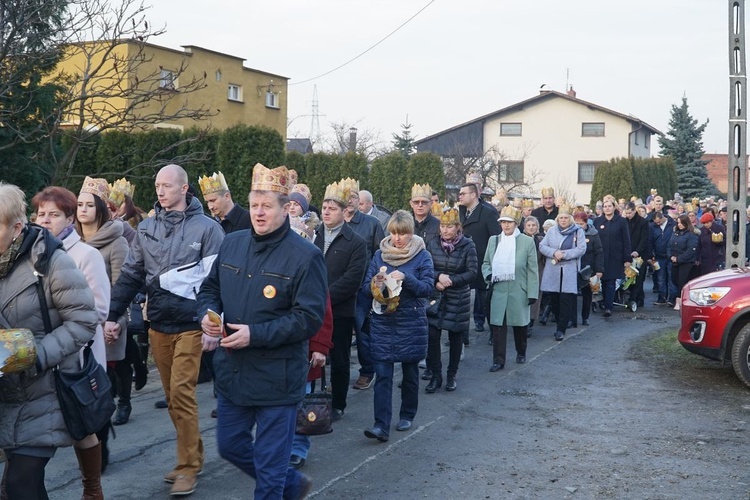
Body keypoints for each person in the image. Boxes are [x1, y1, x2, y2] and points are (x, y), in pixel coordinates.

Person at [197, 163, 326, 499]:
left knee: (269, 474)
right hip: (233, 373)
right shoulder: (232, 243)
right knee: (230, 446)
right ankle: (292, 484)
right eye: (254, 205)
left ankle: (281, 483)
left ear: (285, 209)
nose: (259, 212)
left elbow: (307, 319)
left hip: (277, 379)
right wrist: (207, 317)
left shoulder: (306, 257)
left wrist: (255, 334)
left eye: (267, 206)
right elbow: (210, 289)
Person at [105, 164, 225, 496]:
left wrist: (213, 325)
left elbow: (216, 282)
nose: (160, 191)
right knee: (172, 398)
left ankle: (187, 466)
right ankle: (194, 455)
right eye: (157, 185)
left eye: (168, 185)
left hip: (192, 324)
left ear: (184, 189)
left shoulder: (208, 229)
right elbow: (131, 273)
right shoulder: (146, 227)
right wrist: (114, 314)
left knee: (183, 394)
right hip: (158, 323)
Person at [0, 183, 98, 500]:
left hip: (45, 392)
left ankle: (92, 486)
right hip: (5, 396)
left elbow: (84, 320)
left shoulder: (50, 262)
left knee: (19, 485)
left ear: (16, 227)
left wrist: (36, 355)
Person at [33, 185, 113, 497]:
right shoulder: (31, 253)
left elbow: (100, 308)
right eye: (41, 214)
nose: (45, 220)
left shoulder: (86, 255)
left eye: (54, 214)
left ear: (69, 219)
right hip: (41, 357)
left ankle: (92, 487)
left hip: (79, 358)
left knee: (80, 426)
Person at [361, 210, 434, 442]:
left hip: (410, 322)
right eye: (393, 233)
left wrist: (407, 278)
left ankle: (407, 414)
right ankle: (380, 425)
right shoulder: (379, 255)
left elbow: (427, 289)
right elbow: (365, 287)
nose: (397, 238)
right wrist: (376, 282)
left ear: (411, 233)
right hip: (383, 322)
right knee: (382, 375)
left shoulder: (422, 256)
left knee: (410, 373)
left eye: (402, 233)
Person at [76, 178, 133, 427]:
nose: (83, 210)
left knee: (115, 365)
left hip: (109, 314)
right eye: (79, 204)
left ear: (100, 208)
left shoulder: (117, 242)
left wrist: (116, 319)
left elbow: (122, 285)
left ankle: (124, 402)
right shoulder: (71, 242)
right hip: (79, 317)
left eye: (89, 204)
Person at [198, 171, 252, 418]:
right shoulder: (211, 224)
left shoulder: (248, 221)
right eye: (207, 202)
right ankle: (224, 398)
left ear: (227, 196)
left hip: (244, 291)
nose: (210, 207)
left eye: (213, 201)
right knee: (219, 351)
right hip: (219, 287)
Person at [314, 180, 368, 422]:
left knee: (339, 358)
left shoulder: (355, 242)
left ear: (344, 212)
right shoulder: (311, 235)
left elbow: (352, 279)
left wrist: (323, 297)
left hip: (339, 311)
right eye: (324, 207)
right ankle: (310, 397)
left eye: (332, 208)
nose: (326, 212)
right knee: (311, 354)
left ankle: (338, 403)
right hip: (310, 309)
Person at [424, 203, 477, 392]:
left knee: (455, 337)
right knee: (432, 336)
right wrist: (437, 278)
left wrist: (451, 281)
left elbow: (472, 272)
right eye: (442, 226)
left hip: (458, 297)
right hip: (436, 295)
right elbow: (426, 268)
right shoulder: (432, 243)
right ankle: (436, 375)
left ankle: (451, 374)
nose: (445, 230)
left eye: (449, 227)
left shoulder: (467, 245)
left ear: (457, 228)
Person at [483, 206, 539, 370]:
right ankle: (498, 360)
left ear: (516, 224)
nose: (506, 226)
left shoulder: (527, 242)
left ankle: (521, 351)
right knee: (498, 326)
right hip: (499, 289)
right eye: (503, 222)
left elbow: (532, 269)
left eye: (509, 222)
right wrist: (488, 275)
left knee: (520, 325)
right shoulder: (494, 241)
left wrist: (532, 292)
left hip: (518, 289)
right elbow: (486, 263)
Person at [458, 182, 501, 337]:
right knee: (461, 299)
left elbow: (496, 239)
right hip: (464, 261)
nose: (460, 196)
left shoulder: (488, 212)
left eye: (463, 193)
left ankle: (494, 333)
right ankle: (460, 335)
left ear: (474, 195)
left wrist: (492, 262)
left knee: (486, 299)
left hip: (483, 260)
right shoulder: (461, 211)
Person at [539, 205, 587, 340]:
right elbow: (542, 246)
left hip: (569, 269)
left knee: (566, 299)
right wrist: (554, 252)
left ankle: (561, 329)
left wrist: (564, 254)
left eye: (566, 218)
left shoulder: (578, 231)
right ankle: (558, 321)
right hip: (553, 269)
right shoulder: (552, 231)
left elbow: (581, 249)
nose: (563, 220)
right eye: (561, 218)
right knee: (554, 300)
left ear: (570, 219)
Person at [593, 198, 632, 317]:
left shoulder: (621, 221)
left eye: (609, 206)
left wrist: (627, 259)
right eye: (605, 206)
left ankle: (608, 306)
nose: (607, 208)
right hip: (600, 256)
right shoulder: (598, 221)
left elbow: (626, 240)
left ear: (614, 207)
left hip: (615, 256)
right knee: (601, 281)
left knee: (610, 281)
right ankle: (602, 302)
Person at [574, 210, 603, 326]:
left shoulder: (593, 234)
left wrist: (599, 270)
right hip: (574, 267)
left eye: (581, 224)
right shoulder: (571, 234)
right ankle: (572, 319)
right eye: (577, 224)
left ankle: (585, 317)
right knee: (572, 295)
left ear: (586, 223)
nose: (579, 227)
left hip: (588, 268)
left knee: (587, 294)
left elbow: (599, 252)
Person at [623, 202, 651, 308]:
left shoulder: (643, 222)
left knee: (639, 278)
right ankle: (637, 297)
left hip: (640, 254)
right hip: (628, 253)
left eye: (630, 213)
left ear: (634, 211)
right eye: (627, 213)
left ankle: (635, 298)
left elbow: (644, 238)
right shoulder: (624, 222)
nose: (628, 215)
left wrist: (638, 251)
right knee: (629, 277)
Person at [669, 214, 699, 310]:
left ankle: (679, 301)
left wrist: (679, 258)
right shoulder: (675, 233)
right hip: (675, 260)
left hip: (686, 262)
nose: (680, 225)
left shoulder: (691, 234)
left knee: (682, 281)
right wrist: (671, 256)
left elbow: (691, 250)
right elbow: (669, 245)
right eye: (678, 223)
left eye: (681, 223)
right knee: (674, 279)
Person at [522, 216, 545, 336]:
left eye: (533, 225)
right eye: (529, 225)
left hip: (537, 273)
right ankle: (522, 322)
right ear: (525, 227)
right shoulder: (519, 239)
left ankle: (530, 324)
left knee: (535, 299)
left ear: (537, 227)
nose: (531, 227)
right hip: (522, 273)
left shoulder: (541, 240)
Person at [651, 211, 677, 305]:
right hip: (659, 255)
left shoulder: (673, 224)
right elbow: (651, 240)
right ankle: (662, 297)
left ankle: (672, 298)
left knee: (671, 278)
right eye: (656, 222)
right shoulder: (653, 227)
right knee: (660, 278)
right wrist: (652, 254)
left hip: (671, 256)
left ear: (662, 217)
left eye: (659, 222)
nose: (657, 224)